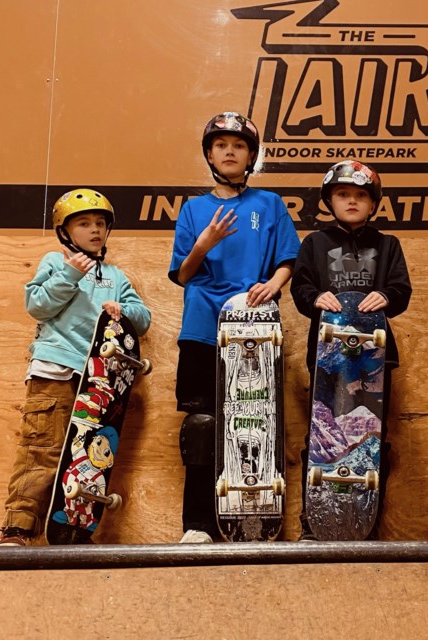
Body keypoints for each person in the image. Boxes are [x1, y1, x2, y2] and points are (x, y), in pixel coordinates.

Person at [168, 111, 301, 544]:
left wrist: (273, 284)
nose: (229, 151)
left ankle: (254, 517)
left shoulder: (269, 205)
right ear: (209, 154)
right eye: (221, 145)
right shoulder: (194, 209)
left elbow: (287, 261)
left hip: (255, 327)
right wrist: (203, 244)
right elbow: (184, 275)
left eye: (239, 146)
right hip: (205, 326)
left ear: (251, 157)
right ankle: (199, 524)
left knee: (254, 418)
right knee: (204, 422)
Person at [0, 188, 152, 546]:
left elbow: (143, 319)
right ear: (65, 231)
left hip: (99, 381)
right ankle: (18, 527)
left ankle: (74, 526)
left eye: (100, 223)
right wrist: (68, 274)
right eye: (84, 223)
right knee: (43, 449)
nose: (95, 230)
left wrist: (123, 310)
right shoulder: (55, 261)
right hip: (56, 372)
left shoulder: (115, 276)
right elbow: (36, 304)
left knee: (87, 455)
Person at [290, 160, 412, 541]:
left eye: (361, 195)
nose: (352, 201)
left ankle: (367, 521)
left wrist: (386, 295)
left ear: (374, 203)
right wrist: (315, 298)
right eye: (344, 194)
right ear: (330, 200)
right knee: (323, 434)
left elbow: (402, 290)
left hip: (373, 356)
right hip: (329, 354)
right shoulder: (314, 243)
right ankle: (314, 521)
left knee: (371, 438)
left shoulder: (388, 244)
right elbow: (300, 289)